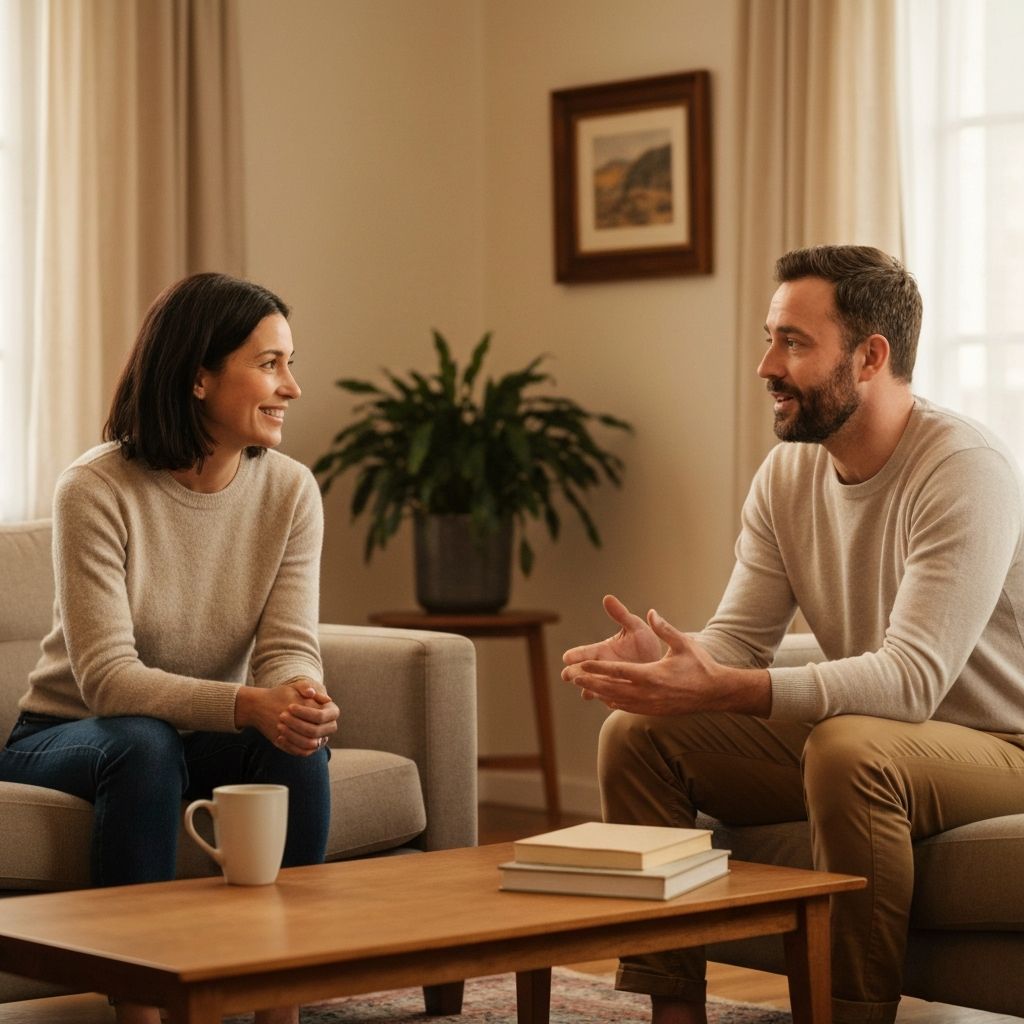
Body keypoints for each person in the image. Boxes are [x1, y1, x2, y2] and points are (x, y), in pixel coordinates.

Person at [562, 245, 1024, 1024]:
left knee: (849, 749)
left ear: (870, 356)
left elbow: (912, 682)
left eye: (794, 342)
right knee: (638, 734)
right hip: (887, 734)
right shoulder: (788, 475)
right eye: (771, 336)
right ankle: (673, 1009)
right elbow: (742, 640)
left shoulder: (962, 468)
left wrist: (730, 687)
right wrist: (679, 660)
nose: (765, 365)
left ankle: (849, 1015)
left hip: (998, 745)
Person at [0, 272, 339, 1024]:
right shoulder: (96, 487)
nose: (292, 387)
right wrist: (250, 702)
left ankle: (277, 999)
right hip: (65, 735)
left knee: (295, 744)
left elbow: (287, 646)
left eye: (289, 363)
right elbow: (108, 682)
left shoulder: (289, 490)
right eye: (270, 364)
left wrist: (297, 697)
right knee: (146, 744)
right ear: (198, 377)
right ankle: (143, 1007)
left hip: (193, 731)